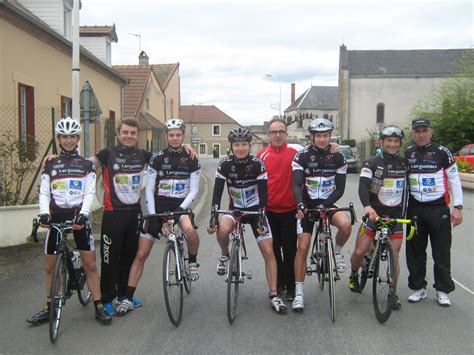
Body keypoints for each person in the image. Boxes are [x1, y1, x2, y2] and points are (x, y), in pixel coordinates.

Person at [27, 117, 111, 325]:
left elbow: (89, 192)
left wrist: (84, 214)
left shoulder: (85, 165)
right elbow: (44, 191)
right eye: (64, 136)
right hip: (56, 216)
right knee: (49, 266)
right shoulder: (51, 163)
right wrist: (44, 213)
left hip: (78, 215)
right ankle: (49, 306)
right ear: (59, 138)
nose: (68, 140)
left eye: (72, 136)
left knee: (90, 265)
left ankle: (98, 306)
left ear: (78, 138)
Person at [116, 118, 201, 316]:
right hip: (159, 205)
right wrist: (153, 214)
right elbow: (149, 189)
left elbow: (194, 190)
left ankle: (193, 261)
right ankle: (128, 298)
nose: (174, 138)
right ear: (166, 136)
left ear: (183, 136)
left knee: (190, 230)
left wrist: (179, 209)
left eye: (178, 135)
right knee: (142, 253)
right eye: (171, 135)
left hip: (181, 204)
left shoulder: (192, 158)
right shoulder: (156, 158)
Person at [207, 127, 287, 314]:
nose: (240, 148)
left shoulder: (258, 164)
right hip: (235, 210)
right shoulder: (225, 165)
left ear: (249, 146)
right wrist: (213, 215)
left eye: (244, 144)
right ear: (232, 146)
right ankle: (225, 254)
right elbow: (217, 194)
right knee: (222, 230)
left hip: (255, 211)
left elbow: (264, 194)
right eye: (237, 145)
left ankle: (274, 295)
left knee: (268, 250)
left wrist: (260, 217)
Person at [90, 118, 152, 316]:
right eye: (125, 132)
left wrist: (186, 148)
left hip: (134, 214)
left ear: (137, 135)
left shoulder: (143, 155)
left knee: (129, 257)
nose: (129, 136)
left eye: (133, 133)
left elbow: (167, 159)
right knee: (109, 259)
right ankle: (107, 298)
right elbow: (86, 164)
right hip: (112, 215)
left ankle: (124, 296)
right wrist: (57, 159)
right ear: (118, 134)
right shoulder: (108, 153)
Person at [291, 118, 351, 311]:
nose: (323, 140)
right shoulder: (302, 156)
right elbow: (296, 185)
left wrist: (325, 206)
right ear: (312, 137)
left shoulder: (338, 157)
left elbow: (340, 189)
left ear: (330, 136)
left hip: (328, 203)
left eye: (326, 136)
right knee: (303, 246)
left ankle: (337, 252)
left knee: (346, 225)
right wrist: (300, 204)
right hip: (308, 206)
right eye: (319, 136)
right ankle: (299, 293)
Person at [405, 118, 463, 307]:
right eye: (417, 131)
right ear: (412, 133)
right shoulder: (408, 153)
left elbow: (454, 180)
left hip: (439, 209)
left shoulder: (442, 152)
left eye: (424, 130)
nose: (421, 135)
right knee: (415, 251)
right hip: (415, 209)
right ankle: (418, 288)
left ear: (431, 132)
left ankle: (442, 290)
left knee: (441, 251)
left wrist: (458, 207)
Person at [348, 125, 407, 310]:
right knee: (359, 251)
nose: (392, 144)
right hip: (374, 215)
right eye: (389, 140)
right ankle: (353, 273)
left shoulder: (404, 163)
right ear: (382, 142)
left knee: (394, 256)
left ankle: (392, 292)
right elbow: (363, 186)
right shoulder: (371, 162)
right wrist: (367, 207)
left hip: (394, 218)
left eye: (396, 141)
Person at [256, 117, 299, 301]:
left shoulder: (296, 154)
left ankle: (291, 287)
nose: (278, 135)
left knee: (290, 251)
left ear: (286, 134)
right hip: (269, 212)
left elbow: (319, 150)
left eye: (281, 131)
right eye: (274, 132)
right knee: (273, 251)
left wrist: (334, 147)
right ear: (268, 135)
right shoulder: (260, 156)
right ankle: (279, 283)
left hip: (290, 210)